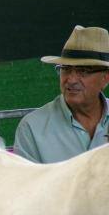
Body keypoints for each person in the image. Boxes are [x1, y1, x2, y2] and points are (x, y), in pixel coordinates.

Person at [14, 25, 109, 163]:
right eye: (65, 69)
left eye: (83, 70)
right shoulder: (32, 128)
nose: (71, 80)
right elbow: (26, 183)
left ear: (105, 77)